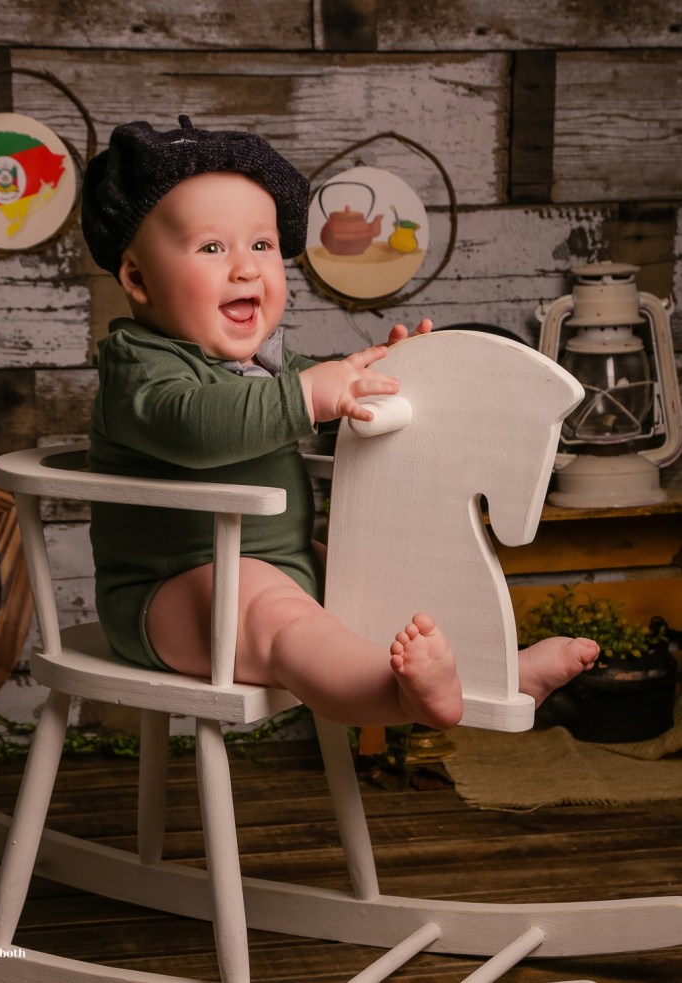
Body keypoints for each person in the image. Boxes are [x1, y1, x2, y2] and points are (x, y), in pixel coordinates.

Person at [81, 115, 599, 731]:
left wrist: (386, 376)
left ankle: (494, 675)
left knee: (382, 578)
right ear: (138, 278)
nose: (246, 269)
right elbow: (191, 428)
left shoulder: (267, 364)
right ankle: (397, 694)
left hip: (286, 564)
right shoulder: (138, 366)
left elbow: (336, 404)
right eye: (212, 248)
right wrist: (308, 395)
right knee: (277, 617)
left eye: (262, 246)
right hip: (166, 594)